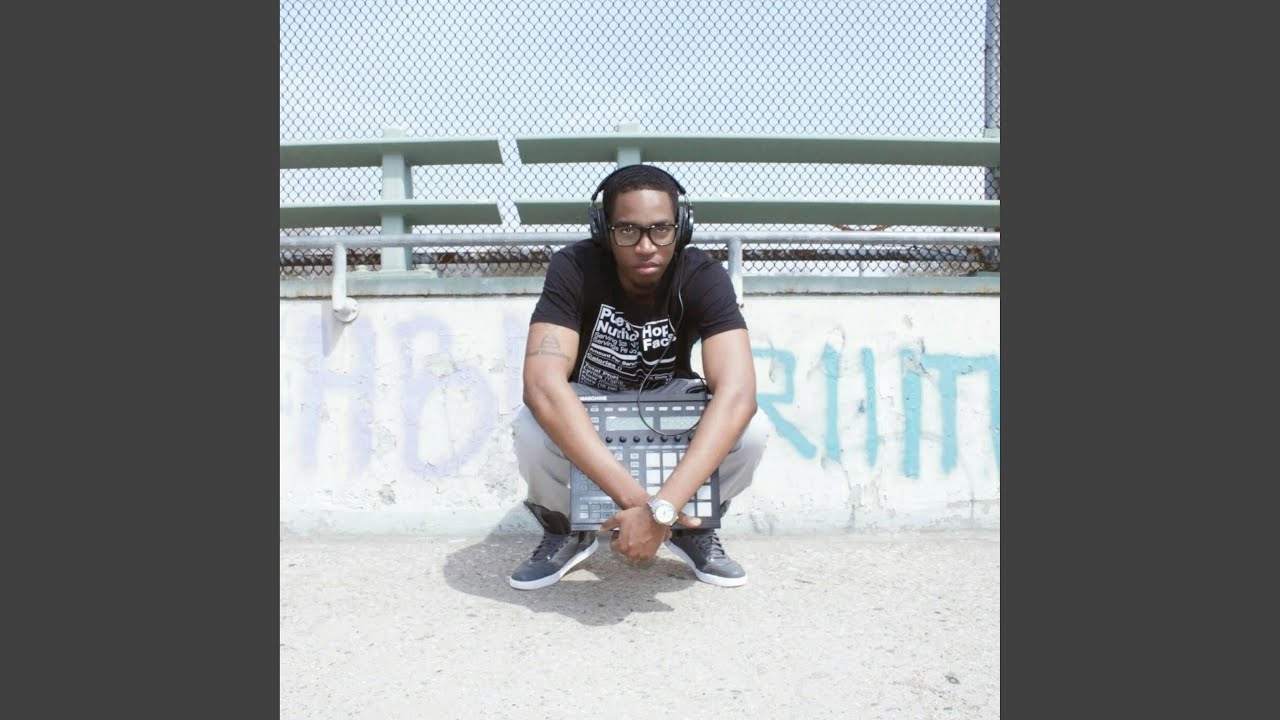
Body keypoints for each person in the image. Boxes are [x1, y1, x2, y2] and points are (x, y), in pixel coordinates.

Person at [509, 164, 769, 590]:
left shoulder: (702, 274)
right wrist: (646, 509)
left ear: (681, 228)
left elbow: (738, 393)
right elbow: (542, 385)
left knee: (752, 431)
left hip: (669, 400)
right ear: (604, 231)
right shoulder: (573, 267)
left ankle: (692, 527)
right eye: (628, 230)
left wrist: (664, 508)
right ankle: (566, 528)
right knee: (531, 429)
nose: (646, 246)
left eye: (661, 230)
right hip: (589, 401)